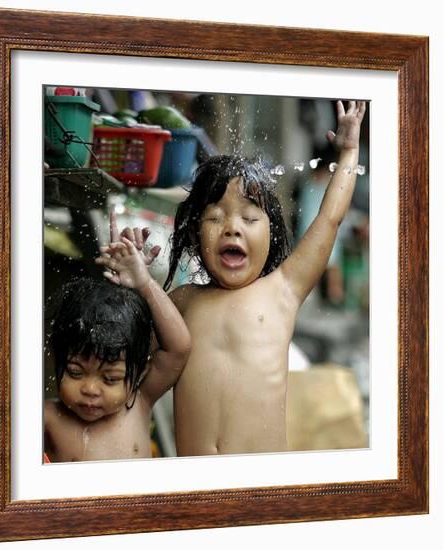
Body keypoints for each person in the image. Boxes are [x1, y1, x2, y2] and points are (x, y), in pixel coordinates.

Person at [108, 100, 366, 456]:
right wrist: (134, 284)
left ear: (272, 233)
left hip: (260, 485)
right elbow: (129, 360)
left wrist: (349, 152)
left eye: (249, 219)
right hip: (195, 486)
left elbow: (329, 219)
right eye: (215, 218)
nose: (231, 228)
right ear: (195, 234)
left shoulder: (283, 290)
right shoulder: (181, 301)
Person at [44, 251, 191, 461]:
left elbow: (178, 348)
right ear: (55, 360)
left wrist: (145, 284)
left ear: (141, 373)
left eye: (110, 378)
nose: (90, 390)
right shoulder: (48, 417)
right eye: (75, 372)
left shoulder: (139, 401)